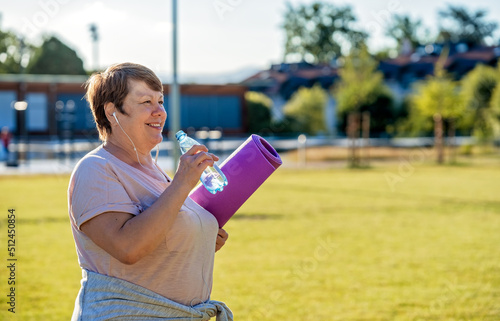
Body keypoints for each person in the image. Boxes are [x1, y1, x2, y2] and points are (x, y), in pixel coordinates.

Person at [68, 63, 232, 320]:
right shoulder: (96, 168)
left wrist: (199, 237)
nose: (160, 112)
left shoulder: (155, 171)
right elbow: (129, 247)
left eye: (161, 101)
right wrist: (182, 183)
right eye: (146, 102)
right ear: (112, 112)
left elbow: (160, 232)